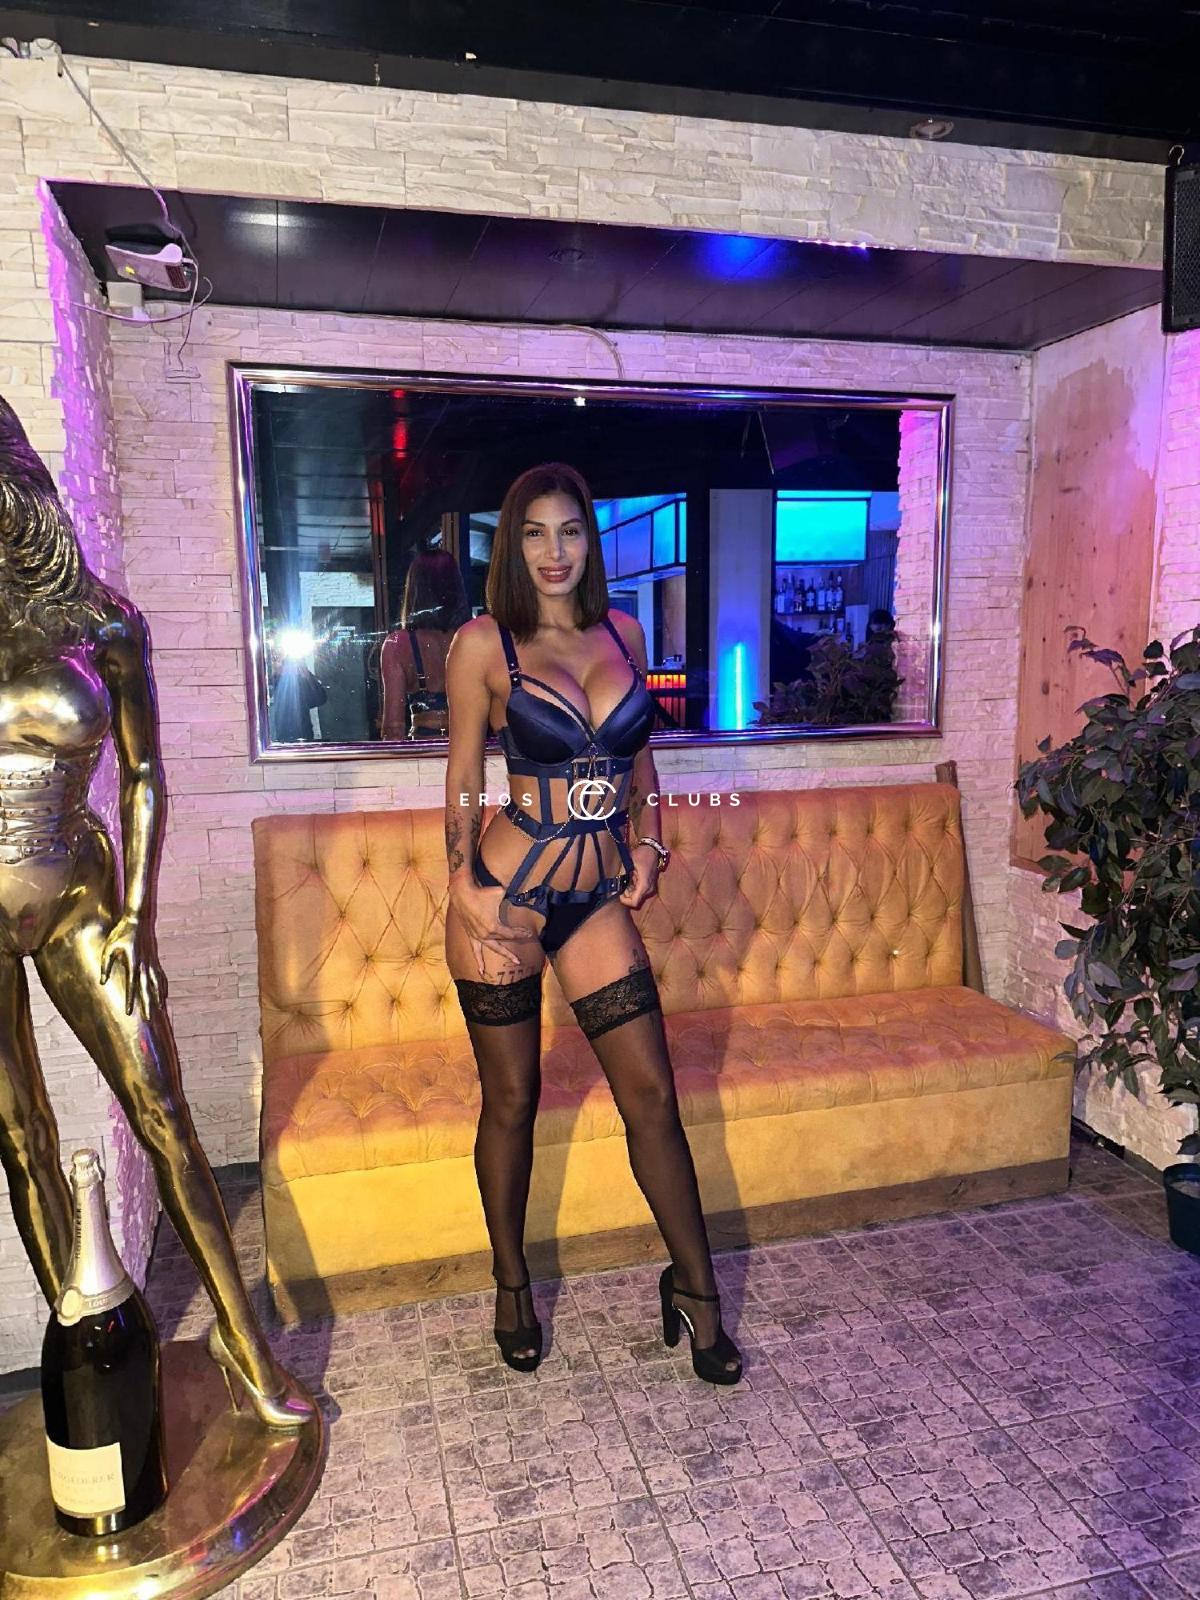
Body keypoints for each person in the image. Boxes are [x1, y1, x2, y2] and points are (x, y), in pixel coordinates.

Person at [0, 395, 312, 1429]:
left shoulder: (100, 621)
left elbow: (142, 774)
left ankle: (242, 1335)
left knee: (161, 1108)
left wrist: (137, 915)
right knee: (20, 1136)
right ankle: (89, 1362)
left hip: (80, 889)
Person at [442, 462, 742, 1385]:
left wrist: (650, 842)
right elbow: (463, 777)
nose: (554, 551)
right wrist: (462, 884)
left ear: (590, 540)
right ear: (512, 544)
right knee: (513, 1100)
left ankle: (696, 1293)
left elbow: (639, 765)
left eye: (569, 530)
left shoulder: (624, 630)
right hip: (506, 894)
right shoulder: (484, 644)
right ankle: (511, 1286)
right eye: (534, 533)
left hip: (594, 899)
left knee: (651, 1094)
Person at [380, 548, 470, 740]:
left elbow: (393, 729)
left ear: (414, 588)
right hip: (472, 747)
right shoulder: (474, 639)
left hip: (425, 750)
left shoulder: (398, 644)